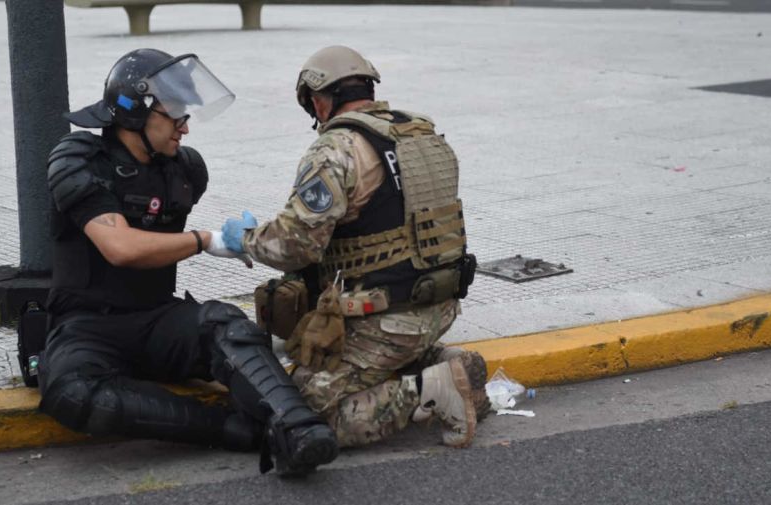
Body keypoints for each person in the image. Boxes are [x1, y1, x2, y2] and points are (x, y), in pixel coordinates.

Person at [38, 48, 338, 476]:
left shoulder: (185, 170)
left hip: (156, 318)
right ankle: (239, 432)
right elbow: (119, 247)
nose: (185, 126)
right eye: (175, 113)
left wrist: (258, 240)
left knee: (227, 326)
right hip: (87, 325)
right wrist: (204, 240)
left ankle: (300, 430)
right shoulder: (78, 159)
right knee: (72, 393)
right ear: (134, 112)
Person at [220, 46, 488, 449]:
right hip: (439, 306)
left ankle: (434, 389)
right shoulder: (422, 132)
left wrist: (245, 239)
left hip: (386, 319)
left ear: (318, 99)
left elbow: (295, 246)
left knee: (299, 410)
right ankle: (449, 364)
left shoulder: (337, 148)